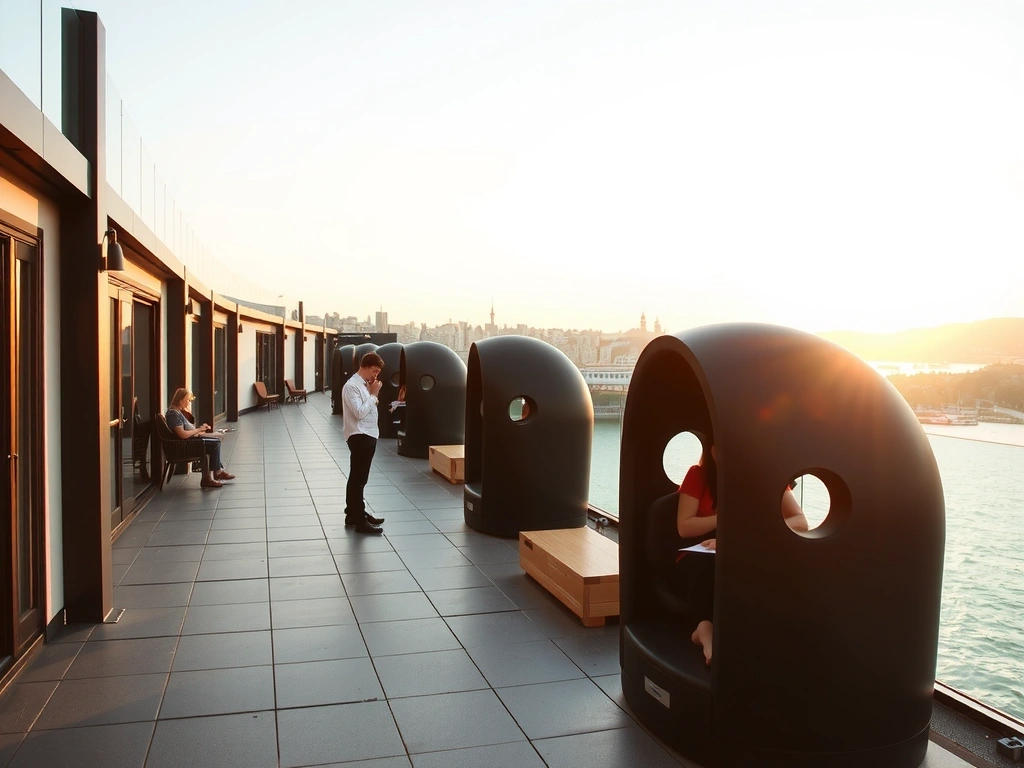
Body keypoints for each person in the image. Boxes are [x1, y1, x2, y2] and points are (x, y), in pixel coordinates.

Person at [675, 443, 808, 665]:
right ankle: (705, 633)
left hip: (744, 548)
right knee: (708, 567)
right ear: (714, 451)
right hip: (700, 552)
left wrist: (739, 538)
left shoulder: (767, 474)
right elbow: (684, 526)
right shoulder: (698, 474)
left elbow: (800, 521)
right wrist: (727, 518)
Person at [342, 352, 387, 534]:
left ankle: (353, 513)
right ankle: (360, 520)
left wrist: (370, 393)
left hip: (367, 435)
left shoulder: (362, 386)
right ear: (366, 367)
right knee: (358, 479)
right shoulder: (352, 386)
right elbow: (359, 412)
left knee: (358, 478)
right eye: (374, 371)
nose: (375, 376)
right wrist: (374, 395)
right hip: (360, 435)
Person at [165, 388, 236, 489]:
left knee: (216, 440)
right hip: (184, 446)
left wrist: (202, 431)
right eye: (188, 400)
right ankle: (212, 475)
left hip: (189, 442)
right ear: (180, 400)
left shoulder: (178, 412)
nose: (189, 402)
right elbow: (182, 435)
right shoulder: (173, 414)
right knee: (214, 444)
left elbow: (188, 432)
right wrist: (199, 429)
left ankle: (216, 472)